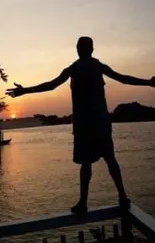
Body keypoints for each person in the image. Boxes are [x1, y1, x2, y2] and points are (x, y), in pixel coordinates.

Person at [6, 36, 155, 214]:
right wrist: (148, 82)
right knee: (108, 159)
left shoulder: (76, 68)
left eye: (80, 46)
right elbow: (123, 79)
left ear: (81, 49)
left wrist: (25, 91)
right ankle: (119, 197)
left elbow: (51, 85)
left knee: (90, 163)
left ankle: (90, 201)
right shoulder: (92, 67)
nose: (79, 49)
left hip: (87, 123)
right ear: (90, 49)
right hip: (98, 122)